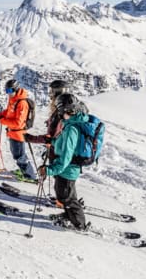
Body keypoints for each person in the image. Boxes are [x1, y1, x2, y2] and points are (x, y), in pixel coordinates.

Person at [37, 93, 88, 230]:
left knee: (67, 198)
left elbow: (66, 156)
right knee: (64, 194)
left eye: (59, 110)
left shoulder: (71, 129)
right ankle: (68, 216)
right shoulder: (69, 124)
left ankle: (79, 225)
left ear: (63, 110)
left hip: (68, 170)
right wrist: (52, 141)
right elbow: (63, 144)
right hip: (65, 170)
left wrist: (49, 170)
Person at [0, 79, 37, 181]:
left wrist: (2, 121)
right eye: (7, 91)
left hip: (18, 133)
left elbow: (18, 123)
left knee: (20, 156)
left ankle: (30, 176)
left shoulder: (22, 103)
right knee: (17, 154)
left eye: (10, 91)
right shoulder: (14, 100)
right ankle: (23, 171)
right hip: (12, 133)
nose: (8, 94)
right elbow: (8, 112)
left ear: (16, 89)